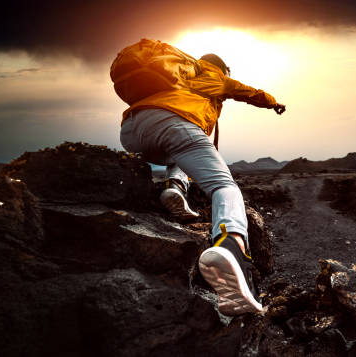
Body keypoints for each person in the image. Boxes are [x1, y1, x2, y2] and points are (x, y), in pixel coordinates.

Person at [119, 53, 285, 315]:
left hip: (133, 129)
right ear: (223, 69)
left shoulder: (179, 73)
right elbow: (250, 92)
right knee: (224, 186)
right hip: (175, 121)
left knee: (179, 154)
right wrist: (273, 103)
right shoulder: (216, 76)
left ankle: (174, 187)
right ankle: (230, 246)